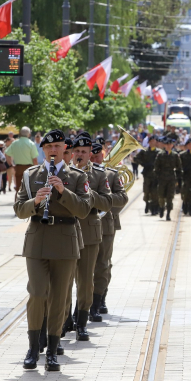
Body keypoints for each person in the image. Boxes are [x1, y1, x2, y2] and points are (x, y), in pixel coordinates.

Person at [13, 130, 91, 371]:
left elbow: (84, 209)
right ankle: (33, 348)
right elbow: (19, 209)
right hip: (37, 241)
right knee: (37, 293)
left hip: (65, 241)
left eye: (57, 146)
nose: (53, 151)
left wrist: (63, 192)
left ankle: (53, 350)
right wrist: (35, 202)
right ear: (43, 150)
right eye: (49, 147)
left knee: (59, 297)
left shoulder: (76, 176)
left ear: (64, 148)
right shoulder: (31, 175)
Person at [66, 133, 112, 342]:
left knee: (85, 281)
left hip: (89, 233)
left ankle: (82, 321)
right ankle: (65, 317)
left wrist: (89, 194)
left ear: (90, 154)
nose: (80, 155)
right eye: (77, 151)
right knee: (65, 281)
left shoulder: (99, 175)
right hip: (66, 231)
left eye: (84, 152)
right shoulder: (64, 173)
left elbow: (108, 203)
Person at [90, 142, 128, 321]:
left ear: (103, 156)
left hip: (105, 225)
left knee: (103, 265)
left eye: (97, 156)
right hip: (83, 224)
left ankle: (99, 299)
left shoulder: (111, 174)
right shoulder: (77, 174)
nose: (94, 159)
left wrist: (104, 199)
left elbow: (122, 198)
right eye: (91, 156)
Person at [154, 137, 182, 220]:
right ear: (165, 145)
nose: (169, 146)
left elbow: (179, 167)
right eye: (167, 144)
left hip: (171, 179)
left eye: (170, 144)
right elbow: (156, 167)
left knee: (170, 197)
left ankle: (168, 213)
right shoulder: (160, 154)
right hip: (162, 178)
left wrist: (179, 179)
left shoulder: (175, 155)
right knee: (161, 196)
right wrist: (157, 177)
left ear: (172, 145)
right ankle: (162, 207)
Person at [6, 127, 39, 192]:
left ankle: (18, 198)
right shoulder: (31, 143)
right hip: (29, 168)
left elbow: (7, 154)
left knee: (18, 188)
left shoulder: (15, 143)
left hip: (18, 167)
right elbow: (34, 159)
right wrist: (37, 169)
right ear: (29, 134)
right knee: (28, 188)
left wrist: (11, 164)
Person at [134, 136, 160, 215]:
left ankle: (154, 208)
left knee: (155, 191)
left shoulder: (159, 152)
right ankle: (147, 203)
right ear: (149, 142)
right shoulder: (144, 151)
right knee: (146, 190)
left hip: (156, 175)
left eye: (154, 141)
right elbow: (136, 158)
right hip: (147, 174)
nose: (153, 143)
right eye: (151, 141)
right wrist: (143, 164)